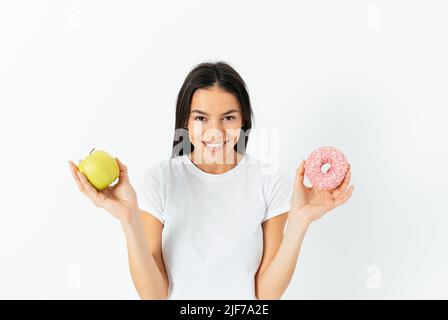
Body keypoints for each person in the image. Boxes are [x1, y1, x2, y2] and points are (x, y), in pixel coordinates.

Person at [68, 61, 354, 300]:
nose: (215, 131)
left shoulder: (269, 182)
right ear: (185, 122)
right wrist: (128, 218)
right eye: (201, 118)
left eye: (228, 117)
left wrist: (300, 223)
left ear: (243, 121)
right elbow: (154, 295)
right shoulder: (160, 179)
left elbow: (265, 295)